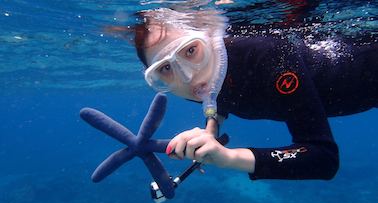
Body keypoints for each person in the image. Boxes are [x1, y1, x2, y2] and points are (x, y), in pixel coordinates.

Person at [107, 7, 377, 180]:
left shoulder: (268, 56)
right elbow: (218, 92)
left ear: (210, 37)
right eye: (164, 69)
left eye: (190, 50)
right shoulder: (197, 75)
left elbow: (323, 159)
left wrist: (228, 158)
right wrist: (211, 128)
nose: (189, 77)